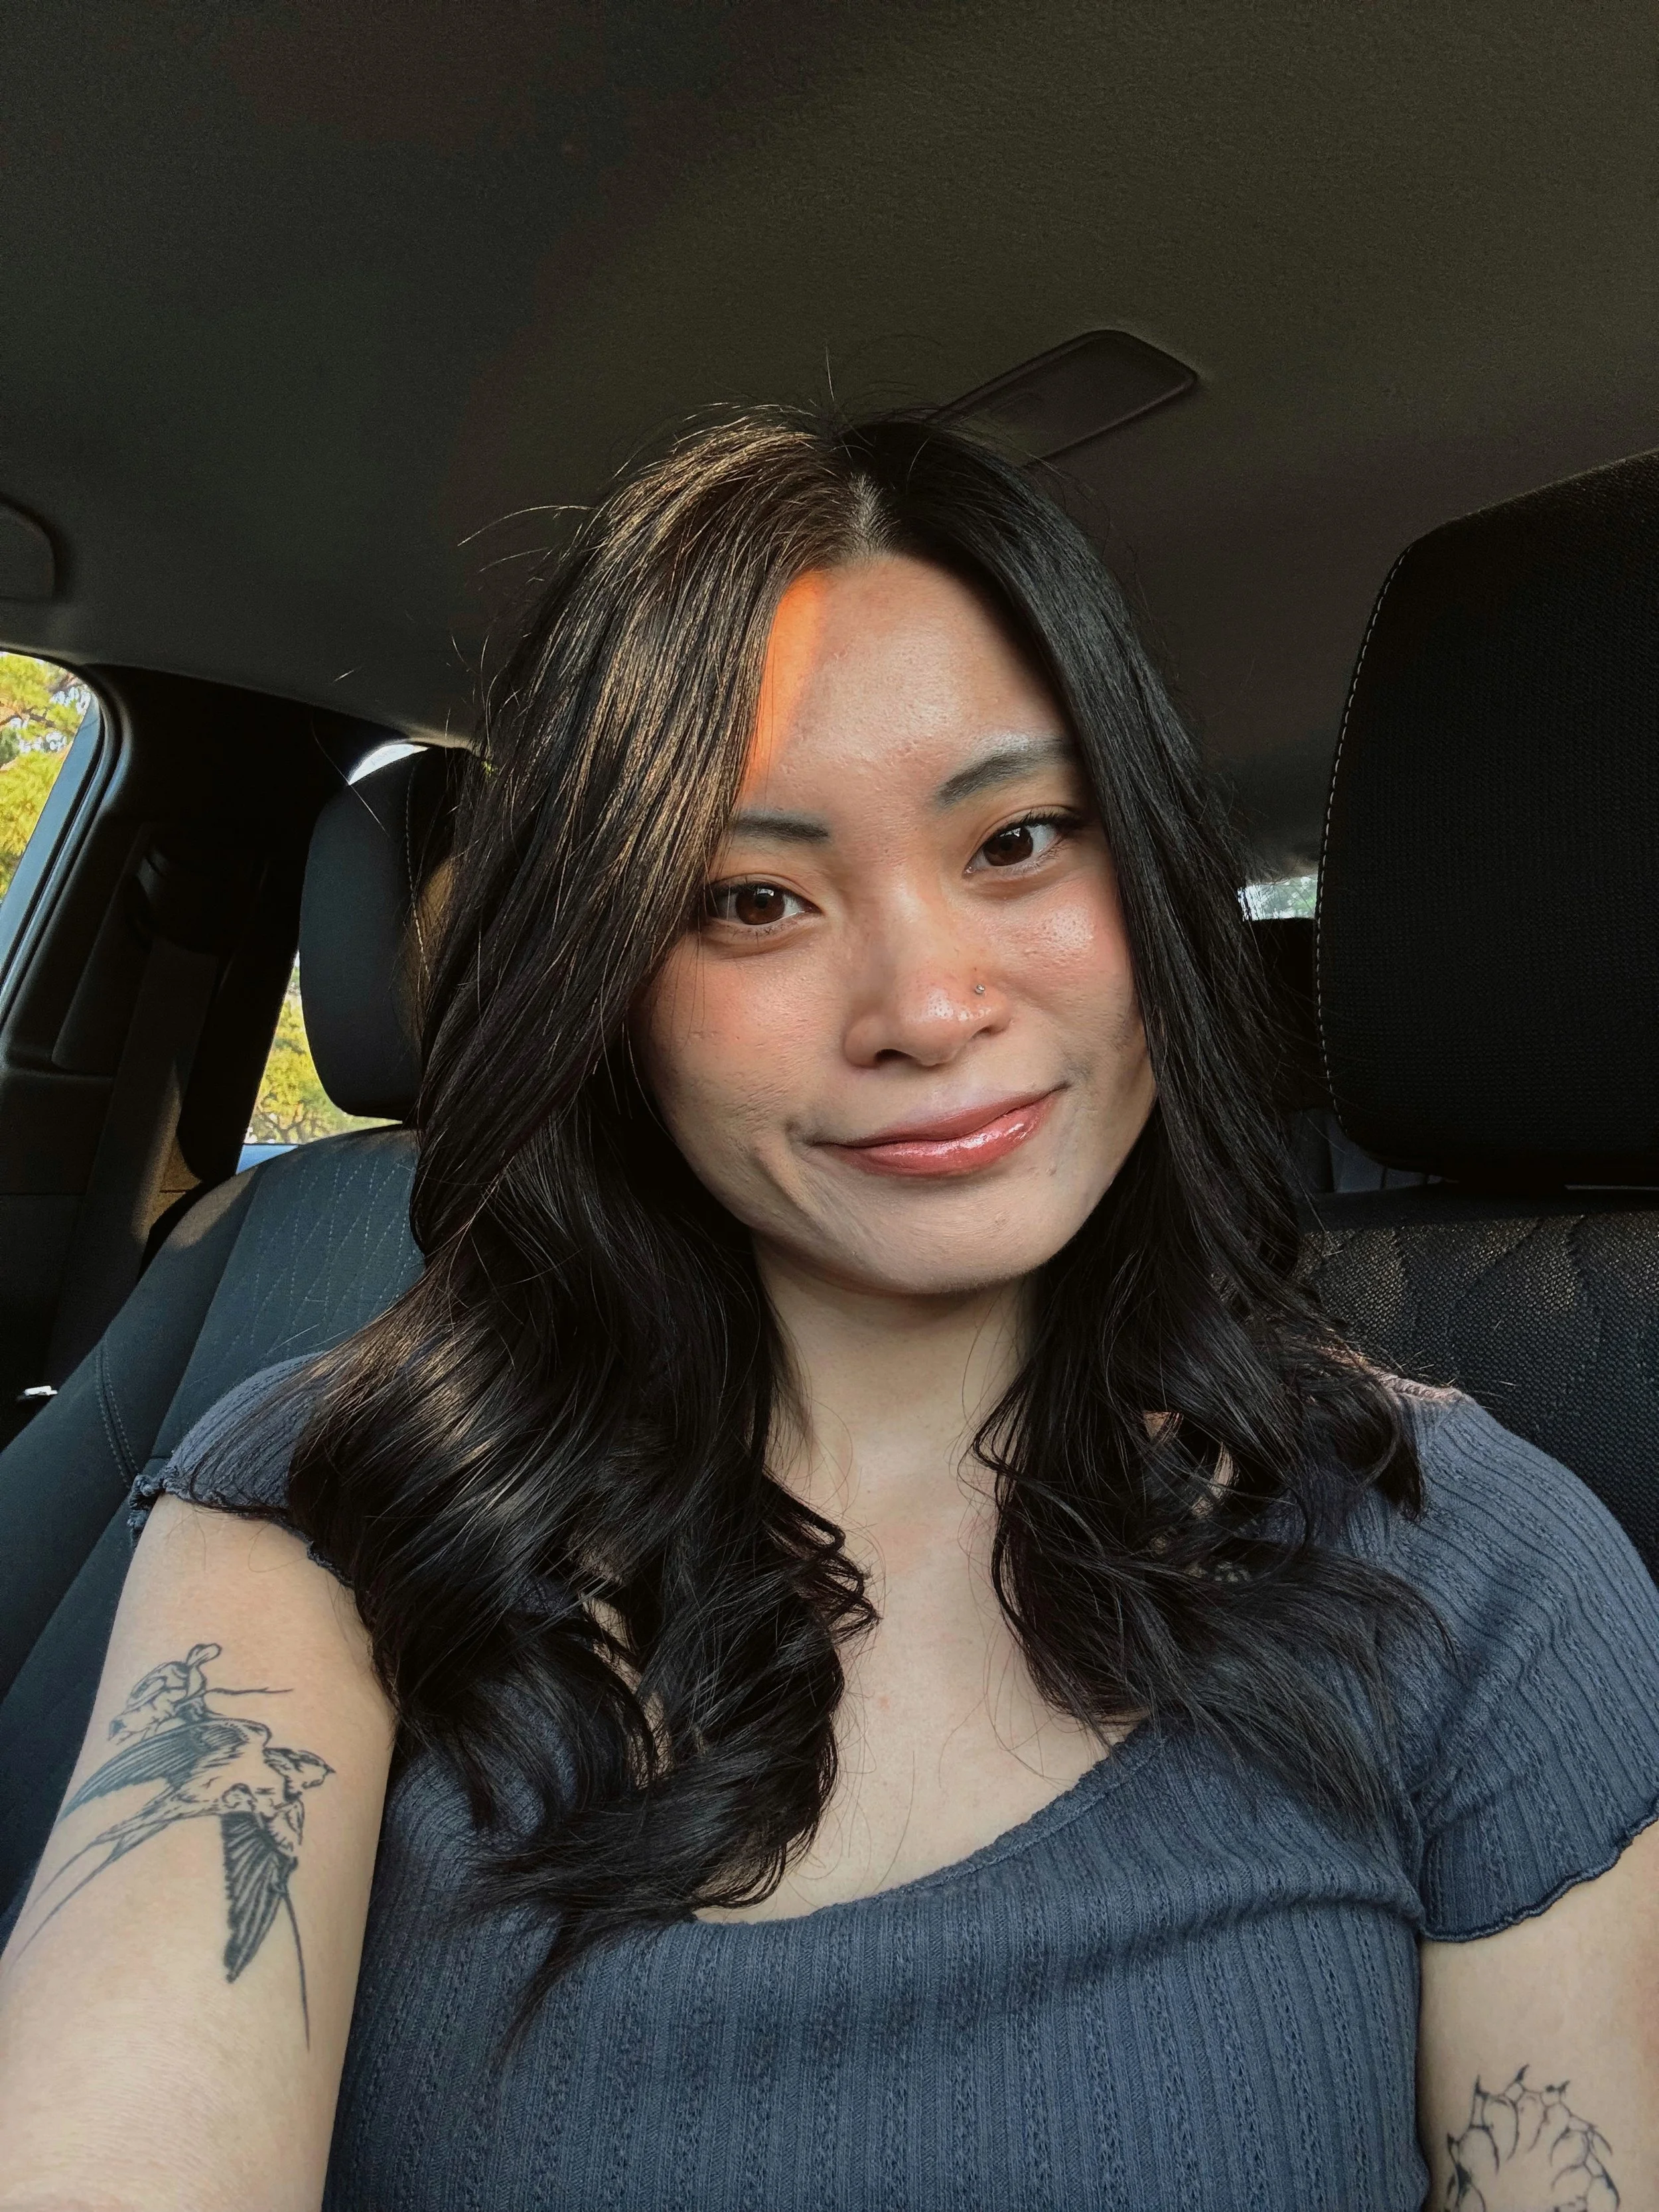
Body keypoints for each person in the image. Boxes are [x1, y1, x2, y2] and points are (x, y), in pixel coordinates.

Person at [1, 413, 1656, 2212]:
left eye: (1021, 838)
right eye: (751, 899)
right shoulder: (333, 1510)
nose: (927, 1008)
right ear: (604, 979)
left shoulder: (1474, 1571)